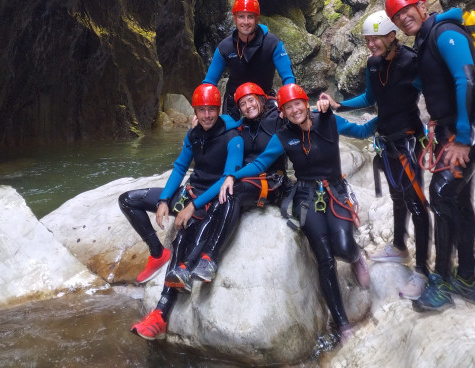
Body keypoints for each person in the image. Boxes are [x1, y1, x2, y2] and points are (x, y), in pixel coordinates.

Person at [241, 83, 377, 340]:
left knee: (343, 247)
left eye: (297, 104)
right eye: (288, 107)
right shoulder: (282, 136)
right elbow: (260, 162)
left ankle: (356, 256)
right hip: (306, 195)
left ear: (306, 103)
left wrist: (394, 110)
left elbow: (362, 131)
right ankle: (342, 325)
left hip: (335, 190)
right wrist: (230, 178)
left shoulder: (329, 121)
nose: (294, 111)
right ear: (282, 112)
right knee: (325, 258)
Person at [385, 0, 475, 311]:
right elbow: (437, 84)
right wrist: (439, 120)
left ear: (421, 6)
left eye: (407, 10)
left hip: (470, 129)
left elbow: (468, 81)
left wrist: (462, 138)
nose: (404, 18)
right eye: (397, 16)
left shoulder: (445, 33)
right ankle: (468, 279)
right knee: (458, 200)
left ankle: (442, 284)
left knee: (442, 194)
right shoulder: (425, 41)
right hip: (452, 127)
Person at [318, 10, 430, 300]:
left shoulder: (412, 63)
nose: (371, 45)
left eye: (376, 38)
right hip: (386, 141)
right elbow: (370, 98)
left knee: (417, 203)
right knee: (397, 197)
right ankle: (399, 246)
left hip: (407, 142)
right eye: (367, 40)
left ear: (392, 35)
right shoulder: (373, 65)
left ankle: (422, 272)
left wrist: (439, 127)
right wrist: (339, 106)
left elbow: (433, 90)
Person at [118, 83, 242, 339]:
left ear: (218, 109)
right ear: (195, 110)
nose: (207, 115)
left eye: (211, 109)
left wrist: (192, 207)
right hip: (190, 193)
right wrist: (164, 199)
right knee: (128, 200)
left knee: (184, 240)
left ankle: (159, 315)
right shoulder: (194, 134)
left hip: (212, 200)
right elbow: (179, 167)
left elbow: (226, 179)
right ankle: (157, 252)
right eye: (201, 109)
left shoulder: (234, 137)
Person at [164, 81, 292, 290]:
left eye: (251, 100)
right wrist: (202, 119)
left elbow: (264, 160)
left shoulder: (277, 120)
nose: (248, 106)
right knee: (217, 201)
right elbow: (221, 122)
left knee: (229, 195)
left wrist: (231, 176)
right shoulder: (242, 124)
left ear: (261, 100)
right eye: (242, 103)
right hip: (245, 179)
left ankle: (209, 258)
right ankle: (186, 267)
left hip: (269, 181)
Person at [203, 0, 296, 118]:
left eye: (250, 17)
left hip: (264, 100)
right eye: (241, 17)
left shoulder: (273, 43)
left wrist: (289, 103)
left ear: (257, 19)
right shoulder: (225, 47)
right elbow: (209, 82)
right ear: (235, 19)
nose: (246, 22)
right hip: (234, 103)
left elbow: (288, 78)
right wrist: (203, 109)